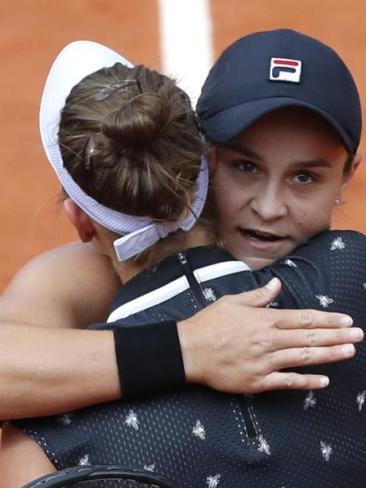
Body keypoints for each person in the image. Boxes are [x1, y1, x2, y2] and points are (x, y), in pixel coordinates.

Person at [2, 29, 366, 488]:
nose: (270, 208)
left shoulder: (45, 441)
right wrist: (190, 347)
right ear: (200, 161)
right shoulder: (352, 266)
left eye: (306, 178)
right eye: (245, 167)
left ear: (345, 178)